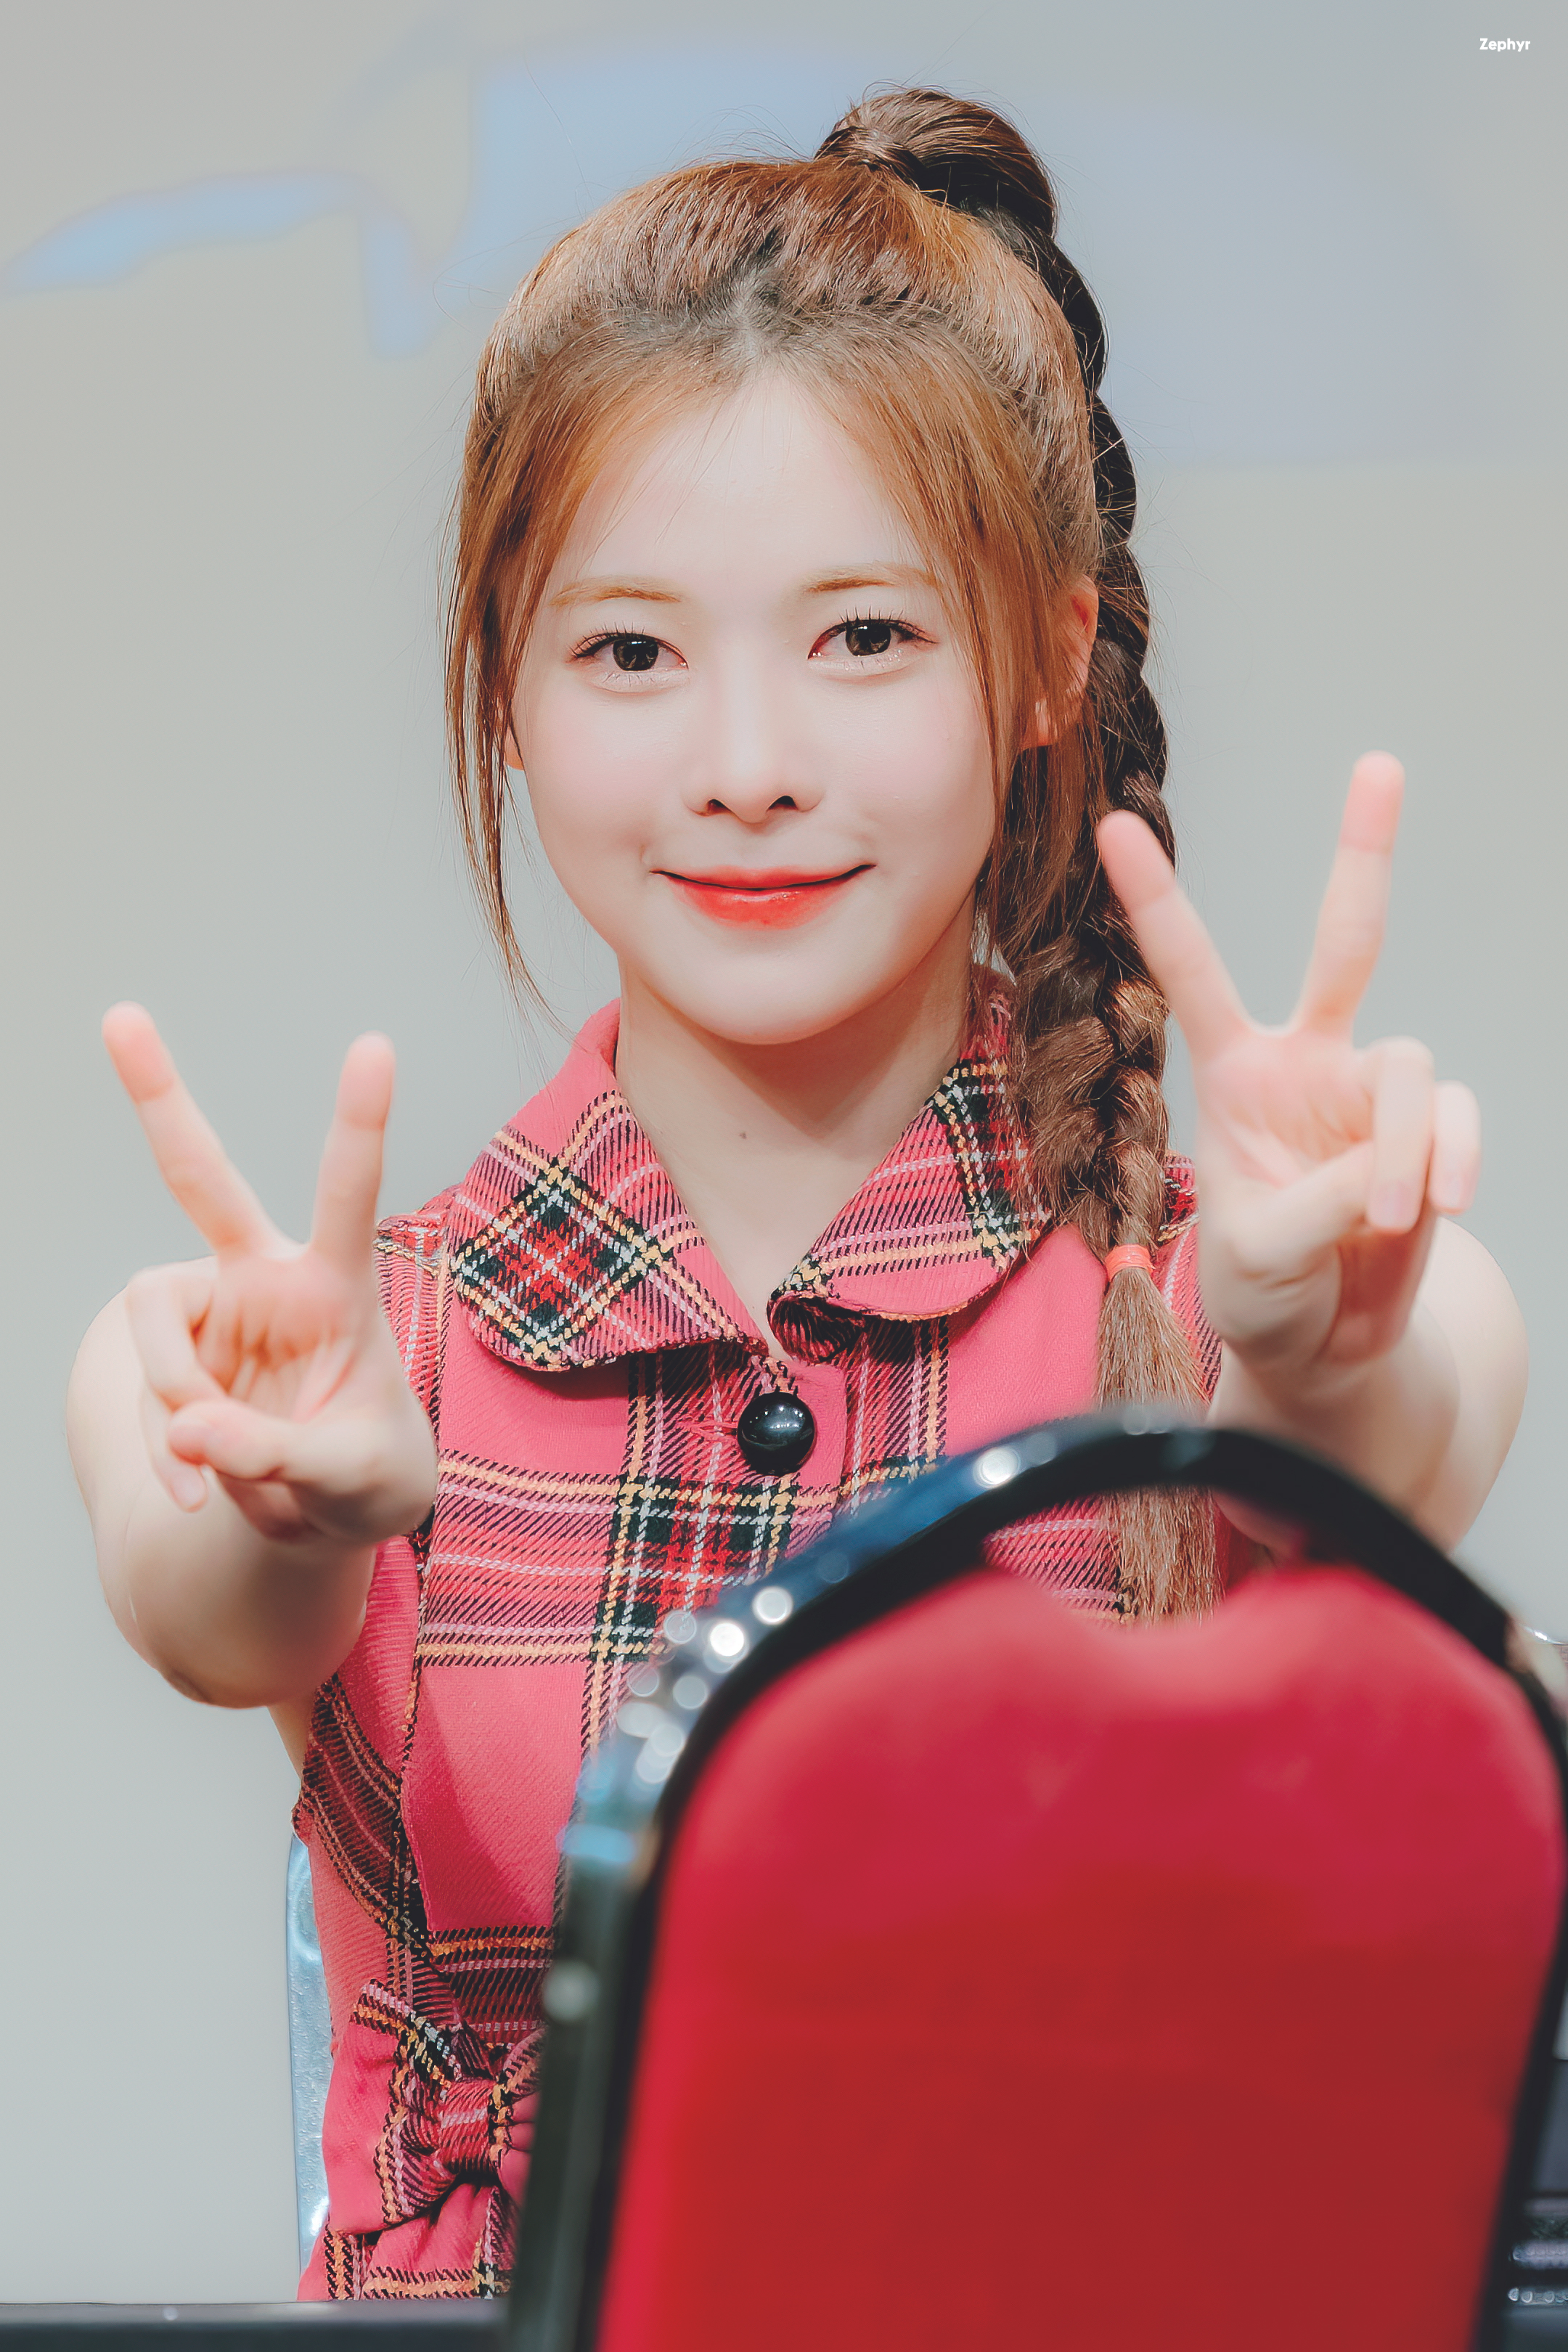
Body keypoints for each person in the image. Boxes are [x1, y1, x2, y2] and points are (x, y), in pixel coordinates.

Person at [67, 89, 1525, 2299]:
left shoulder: (1244, 1283)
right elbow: (214, 1611)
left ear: (1043, 662)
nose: (747, 763)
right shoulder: (334, 1353)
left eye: (864, 638)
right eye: (629, 652)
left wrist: (1317, 1361)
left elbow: (1399, 1425)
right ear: (507, 690)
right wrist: (285, 1509)